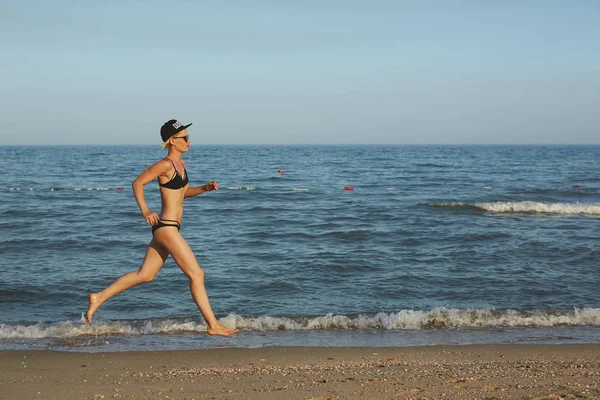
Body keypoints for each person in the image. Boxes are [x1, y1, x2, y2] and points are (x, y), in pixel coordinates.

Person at [86, 119, 239, 336]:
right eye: (184, 137)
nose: (188, 141)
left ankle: (99, 297)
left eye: (188, 137)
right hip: (166, 228)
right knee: (197, 274)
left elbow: (182, 192)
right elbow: (137, 183)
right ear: (172, 141)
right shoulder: (165, 164)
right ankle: (213, 325)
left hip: (166, 229)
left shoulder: (181, 165)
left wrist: (204, 188)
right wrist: (146, 211)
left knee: (145, 275)